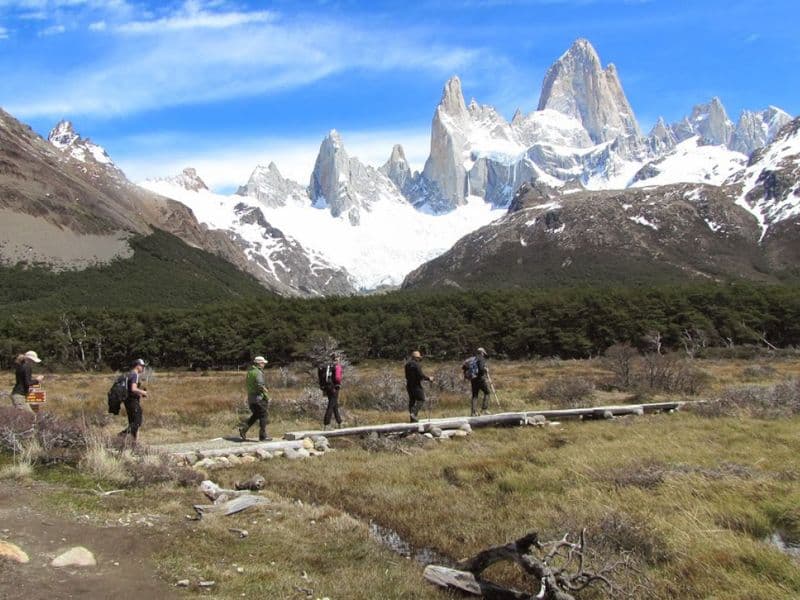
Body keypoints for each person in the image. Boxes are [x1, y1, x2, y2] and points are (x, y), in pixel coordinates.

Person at [239, 356, 272, 441]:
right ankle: (263, 436)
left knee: (256, 415)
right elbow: (260, 385)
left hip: (251, 397)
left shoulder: (250, 372)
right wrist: (265, 391)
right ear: (260, 363)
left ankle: (243, 429)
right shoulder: (258, 372)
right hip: (259, 398)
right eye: (263, 363)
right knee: (264, 415)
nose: (264, 364)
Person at [121, 358, 148, 441]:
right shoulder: (135, 375)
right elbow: (133, 389)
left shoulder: (129, 374)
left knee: (132, 422)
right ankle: (122, 435)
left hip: (127, 400)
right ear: (137, 366)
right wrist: (143, 392)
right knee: (137, 422)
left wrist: (139, 392)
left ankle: (134, 443)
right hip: (132, 401)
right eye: (142, 366)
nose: (143, 368)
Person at [404, 350, 433, 423]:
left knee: (412, 401)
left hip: (409, 385)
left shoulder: (407, 365)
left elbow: (406, 376)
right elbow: (420, 376)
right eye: (419, 358)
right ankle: (414, 414)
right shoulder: (417, 365)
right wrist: (429, 378)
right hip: (416, 385)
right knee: (421, 399)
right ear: (416, 358)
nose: (420, 359)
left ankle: (412, 420)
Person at [318, 353, 343, 430]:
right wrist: (338, 384)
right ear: (338, 358)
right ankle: (326, 423)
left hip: (327, 387)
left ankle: (339, 422)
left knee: (334, 404)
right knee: (331, 405)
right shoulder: (337, 366)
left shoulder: (327, 366)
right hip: (334, 387)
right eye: (338, 358)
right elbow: (338, 378)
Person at [466, 347, 492, 416]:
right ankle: (484, 410)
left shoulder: (472, 359)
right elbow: (481, 369)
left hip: (473, 379)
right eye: (484, 353)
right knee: (487, 392)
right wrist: (485, 370)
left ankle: (473, 412)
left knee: (475, 395)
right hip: (480, 378)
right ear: (482, 352)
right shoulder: (481, 359)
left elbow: (464, 367)